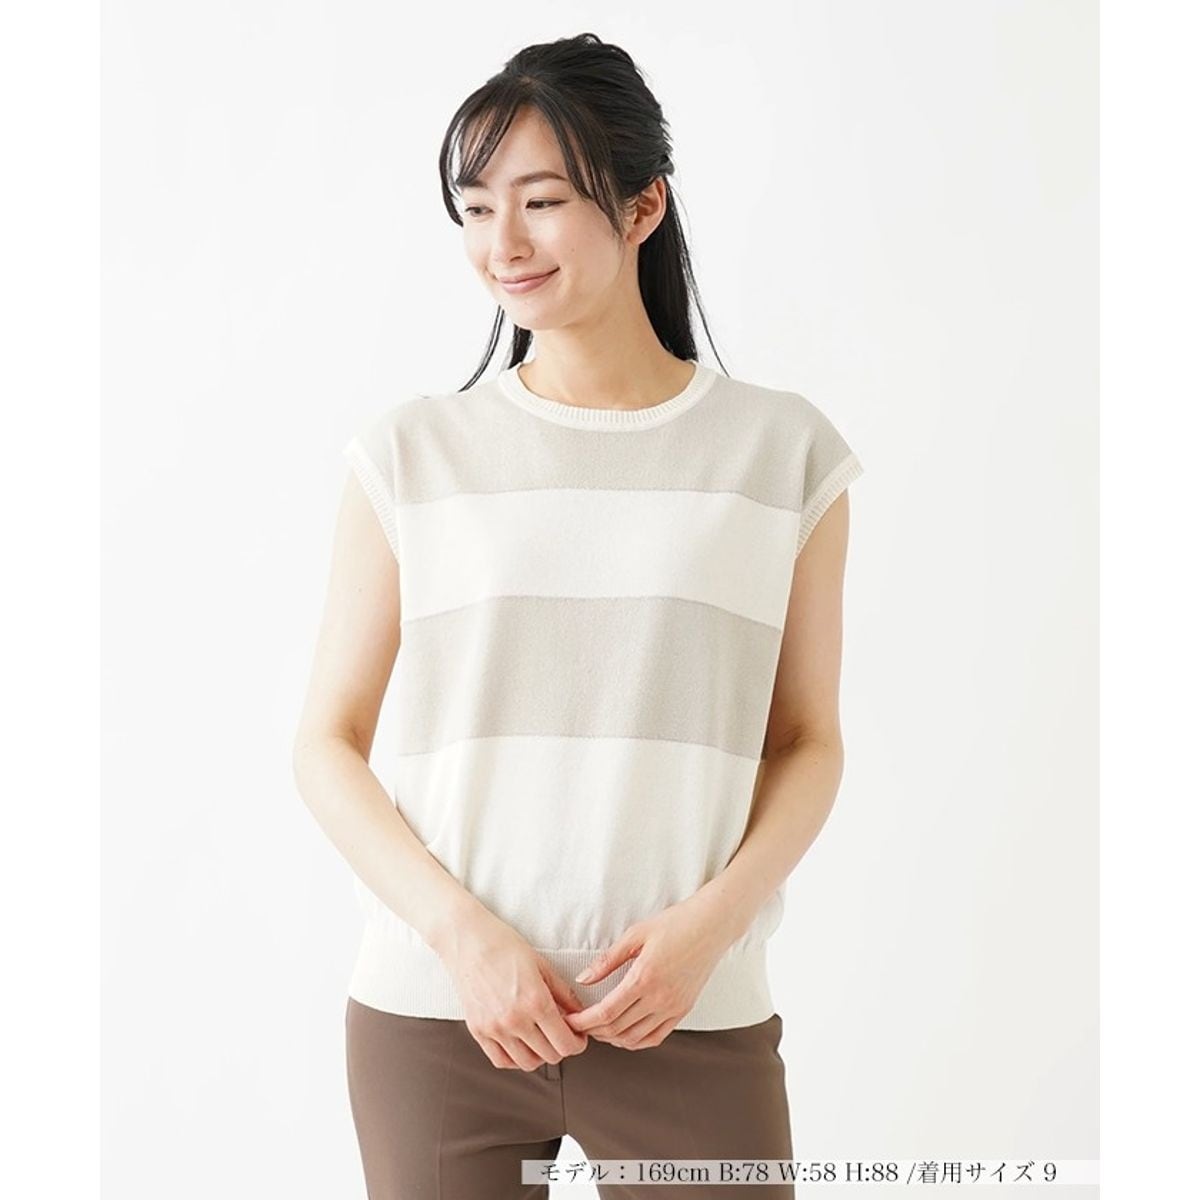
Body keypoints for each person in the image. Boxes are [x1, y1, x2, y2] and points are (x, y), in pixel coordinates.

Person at [292, 32, 864, 1200]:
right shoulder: (411, 455)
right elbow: (326, 743)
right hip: (441, 1019)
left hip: (685, 1016)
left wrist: (712, 929)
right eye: (475, 208)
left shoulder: (782, 454)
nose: (501, 243)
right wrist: (464, 941)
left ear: (644, 204)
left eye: (542, 201)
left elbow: (807, 740)